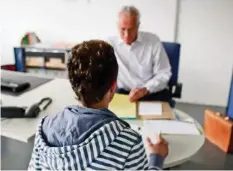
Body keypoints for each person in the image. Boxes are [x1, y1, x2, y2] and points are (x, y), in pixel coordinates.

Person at [28, 40, 168, 170]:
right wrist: (156, 159)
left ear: (73, 84)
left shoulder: (43, 128)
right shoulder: (129, 143)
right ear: (113, 88)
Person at [108, 5, 172, 103]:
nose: (126, 35)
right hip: (123, 94)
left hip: (150, 92)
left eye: (130, 29)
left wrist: (146, 89)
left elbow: (164, 73)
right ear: (117, 26)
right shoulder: (110, 44)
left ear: (138, 26)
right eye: (123, 29)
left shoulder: (153, 41)